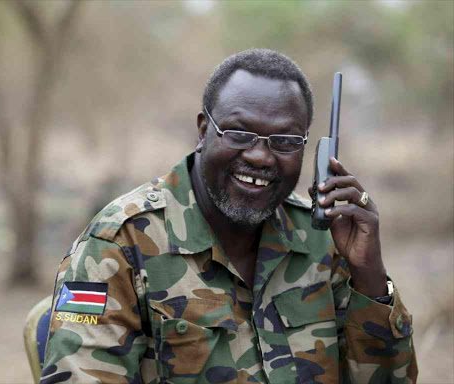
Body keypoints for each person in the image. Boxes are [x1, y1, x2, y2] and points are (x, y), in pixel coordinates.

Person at [41, 49, 417, 384]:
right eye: (239, 133)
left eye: (285, 142)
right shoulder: (118, 245)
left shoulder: (324, 237)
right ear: (204, 131)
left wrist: (369, 275)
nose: (260, 157)